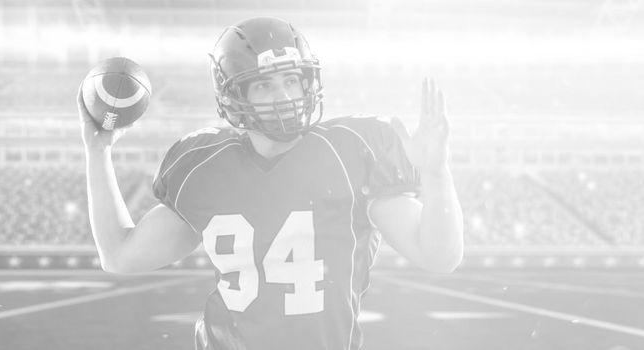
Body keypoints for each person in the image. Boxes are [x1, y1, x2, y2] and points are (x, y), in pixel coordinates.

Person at [78, 16, 463, 350]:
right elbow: (121, 256)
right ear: (234, 95)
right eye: (264, 85)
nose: (283, 95)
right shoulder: (205, 165)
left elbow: (438, 256)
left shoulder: (355, 150)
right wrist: (97, 151)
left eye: (291, 80)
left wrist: (437, 174)